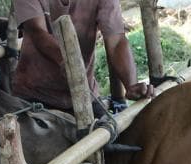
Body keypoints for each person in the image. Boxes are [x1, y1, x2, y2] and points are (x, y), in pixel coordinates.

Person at [13, 0, 154, 116]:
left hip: (85, 93)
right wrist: (67, 61)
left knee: (113, 139)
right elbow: (38, 32)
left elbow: (116, 41)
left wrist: (130, 84)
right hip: (33, 94)